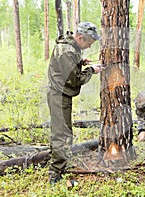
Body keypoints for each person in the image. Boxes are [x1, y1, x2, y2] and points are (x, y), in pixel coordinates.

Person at [47, 22, 102, 185]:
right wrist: (91, 70)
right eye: (88, 43)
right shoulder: (67, 51)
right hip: (59, 95)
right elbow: (74, 79)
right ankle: (55, 174)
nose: (89, 46)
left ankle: (60, 164)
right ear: (79, 37)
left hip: (59, 94)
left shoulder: (69, 46)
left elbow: (67, 66)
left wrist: (80, 62)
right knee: (61, 134)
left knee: (63, 131)